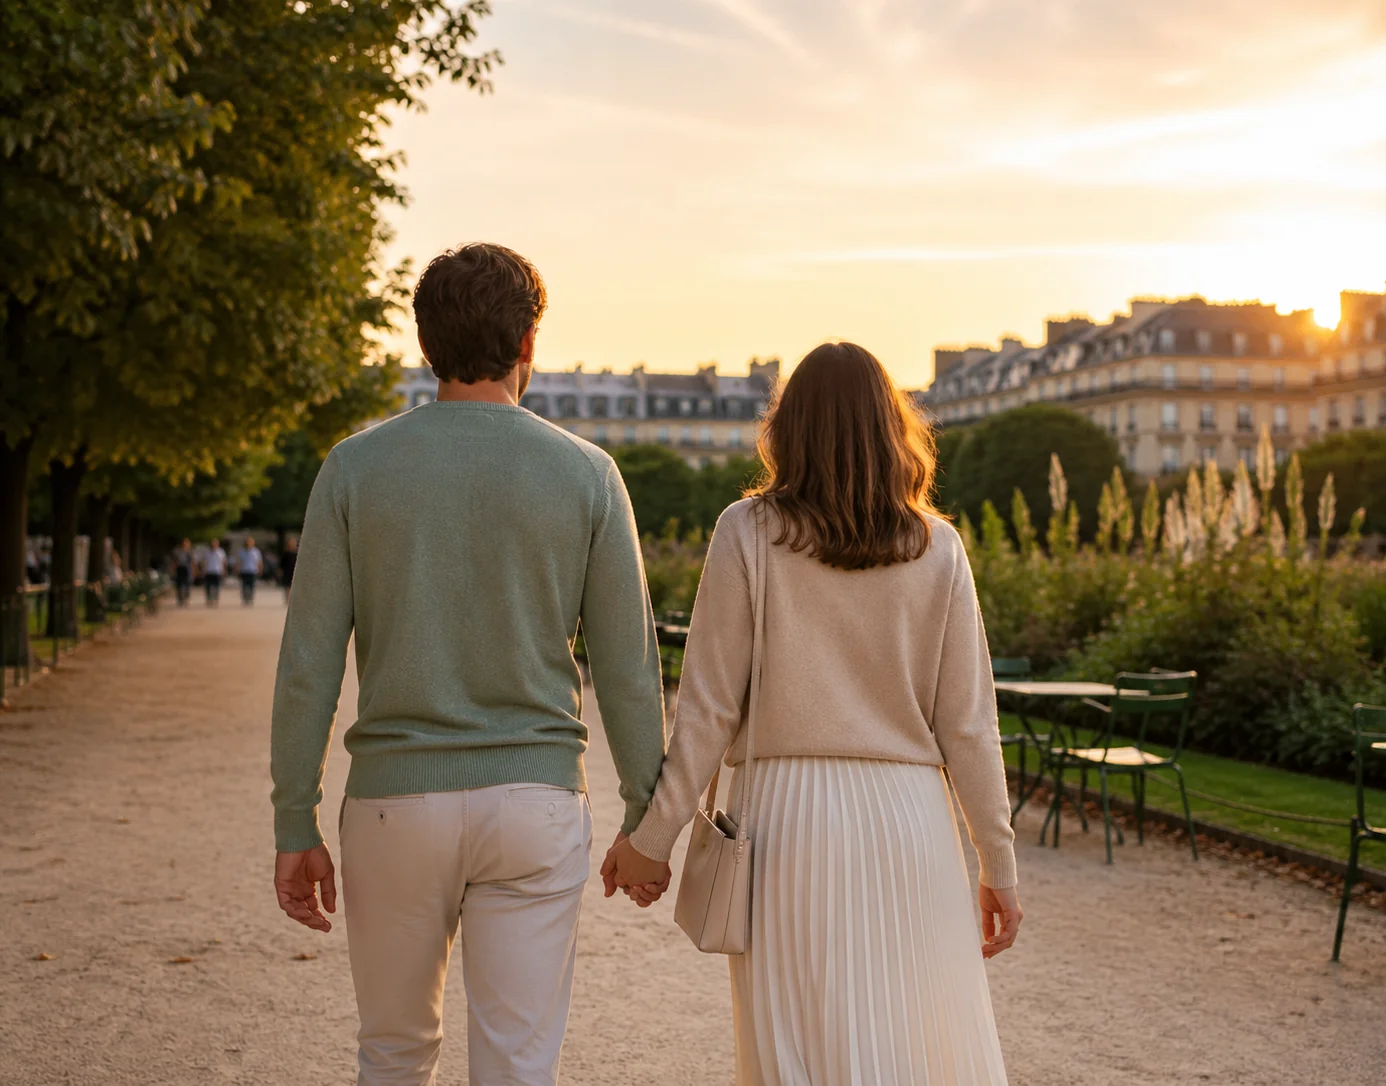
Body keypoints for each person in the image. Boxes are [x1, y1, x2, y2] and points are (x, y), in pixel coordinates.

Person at [269, 242, 667, 1085]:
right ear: (529, 343)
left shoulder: (354, 468)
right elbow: (630, 670)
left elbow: (308, 663)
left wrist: (293, 820)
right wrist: (645, 814)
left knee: (393, 1053)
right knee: (518, 1067)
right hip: (534, 801)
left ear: (424, 347)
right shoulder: (589, 476)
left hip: (392, 807)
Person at [605, 342, 1023, 1085]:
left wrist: (652, 839)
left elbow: (707, 709)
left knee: (795, 1051)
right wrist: (999, 861)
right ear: (892, 428)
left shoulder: (748, 531)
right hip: (910, 821)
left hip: (787, 818)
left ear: (788, 427)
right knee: (910, 1047)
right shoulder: (938, 546)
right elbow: (968, 725)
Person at [237, 536, 263, 606]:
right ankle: (245, 599)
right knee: (244, 586)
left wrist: (260, 569)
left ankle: (250, 598)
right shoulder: (241, 551)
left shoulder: (256, 551)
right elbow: (239, 561)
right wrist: (237, 569)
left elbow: (259, 561)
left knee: (252, 586)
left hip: (253, 571)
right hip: (244, 571)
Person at [202, 538, 226, 606]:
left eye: (215, 543)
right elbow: (204, 562)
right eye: (213, 543)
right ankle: (209, 599)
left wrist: (224, 571)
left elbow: (223, 562)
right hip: (208, 571)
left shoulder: (221, 552)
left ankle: (215, 598)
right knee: (208, 587)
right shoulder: (207, 552)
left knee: (217, 587)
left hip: (217, 571)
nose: (214, 545)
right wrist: (203, 570)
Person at [171, 539, 194, 606]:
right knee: (179, 585)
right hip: (179, 569)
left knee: (187, 584)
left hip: (187, 569)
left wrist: (194, 570)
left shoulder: (190, 552)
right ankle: (180, 599)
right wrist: (173, 569)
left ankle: (186, 598)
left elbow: (192, 562)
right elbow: (174, 561)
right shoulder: (177, 551)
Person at [277, 535, 298, 604]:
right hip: (287, 571)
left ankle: (293, 599)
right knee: (287, 586)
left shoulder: (297, 553)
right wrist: (280, 570)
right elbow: (282, 563)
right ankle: (287, 599)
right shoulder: (286, 553)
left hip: (295, 571)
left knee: (294, 586)